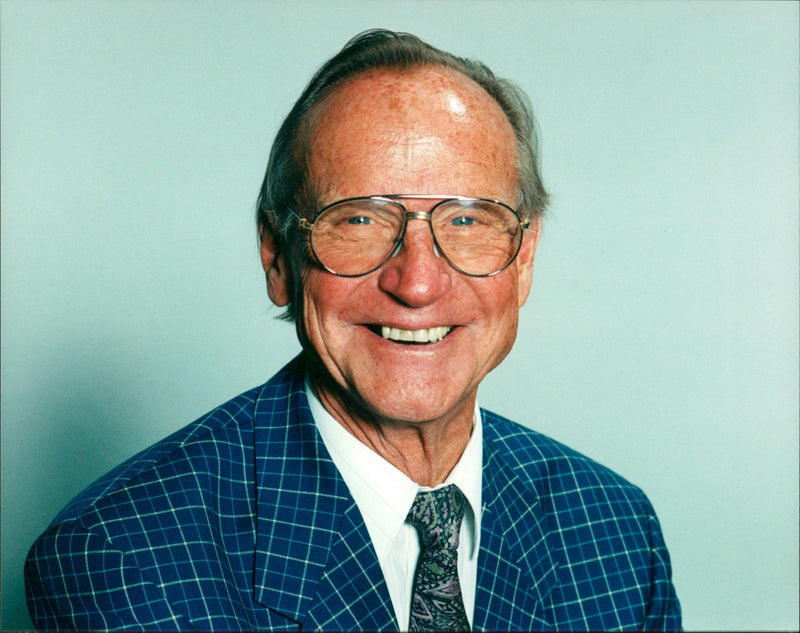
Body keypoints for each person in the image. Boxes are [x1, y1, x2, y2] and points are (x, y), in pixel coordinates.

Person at [25, 29, 681, 631]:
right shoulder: (123, 553)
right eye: (360, 220)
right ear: (277, 258)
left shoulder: (617, 530)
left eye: (468, 221)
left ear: (525, 253)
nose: (418, 283)